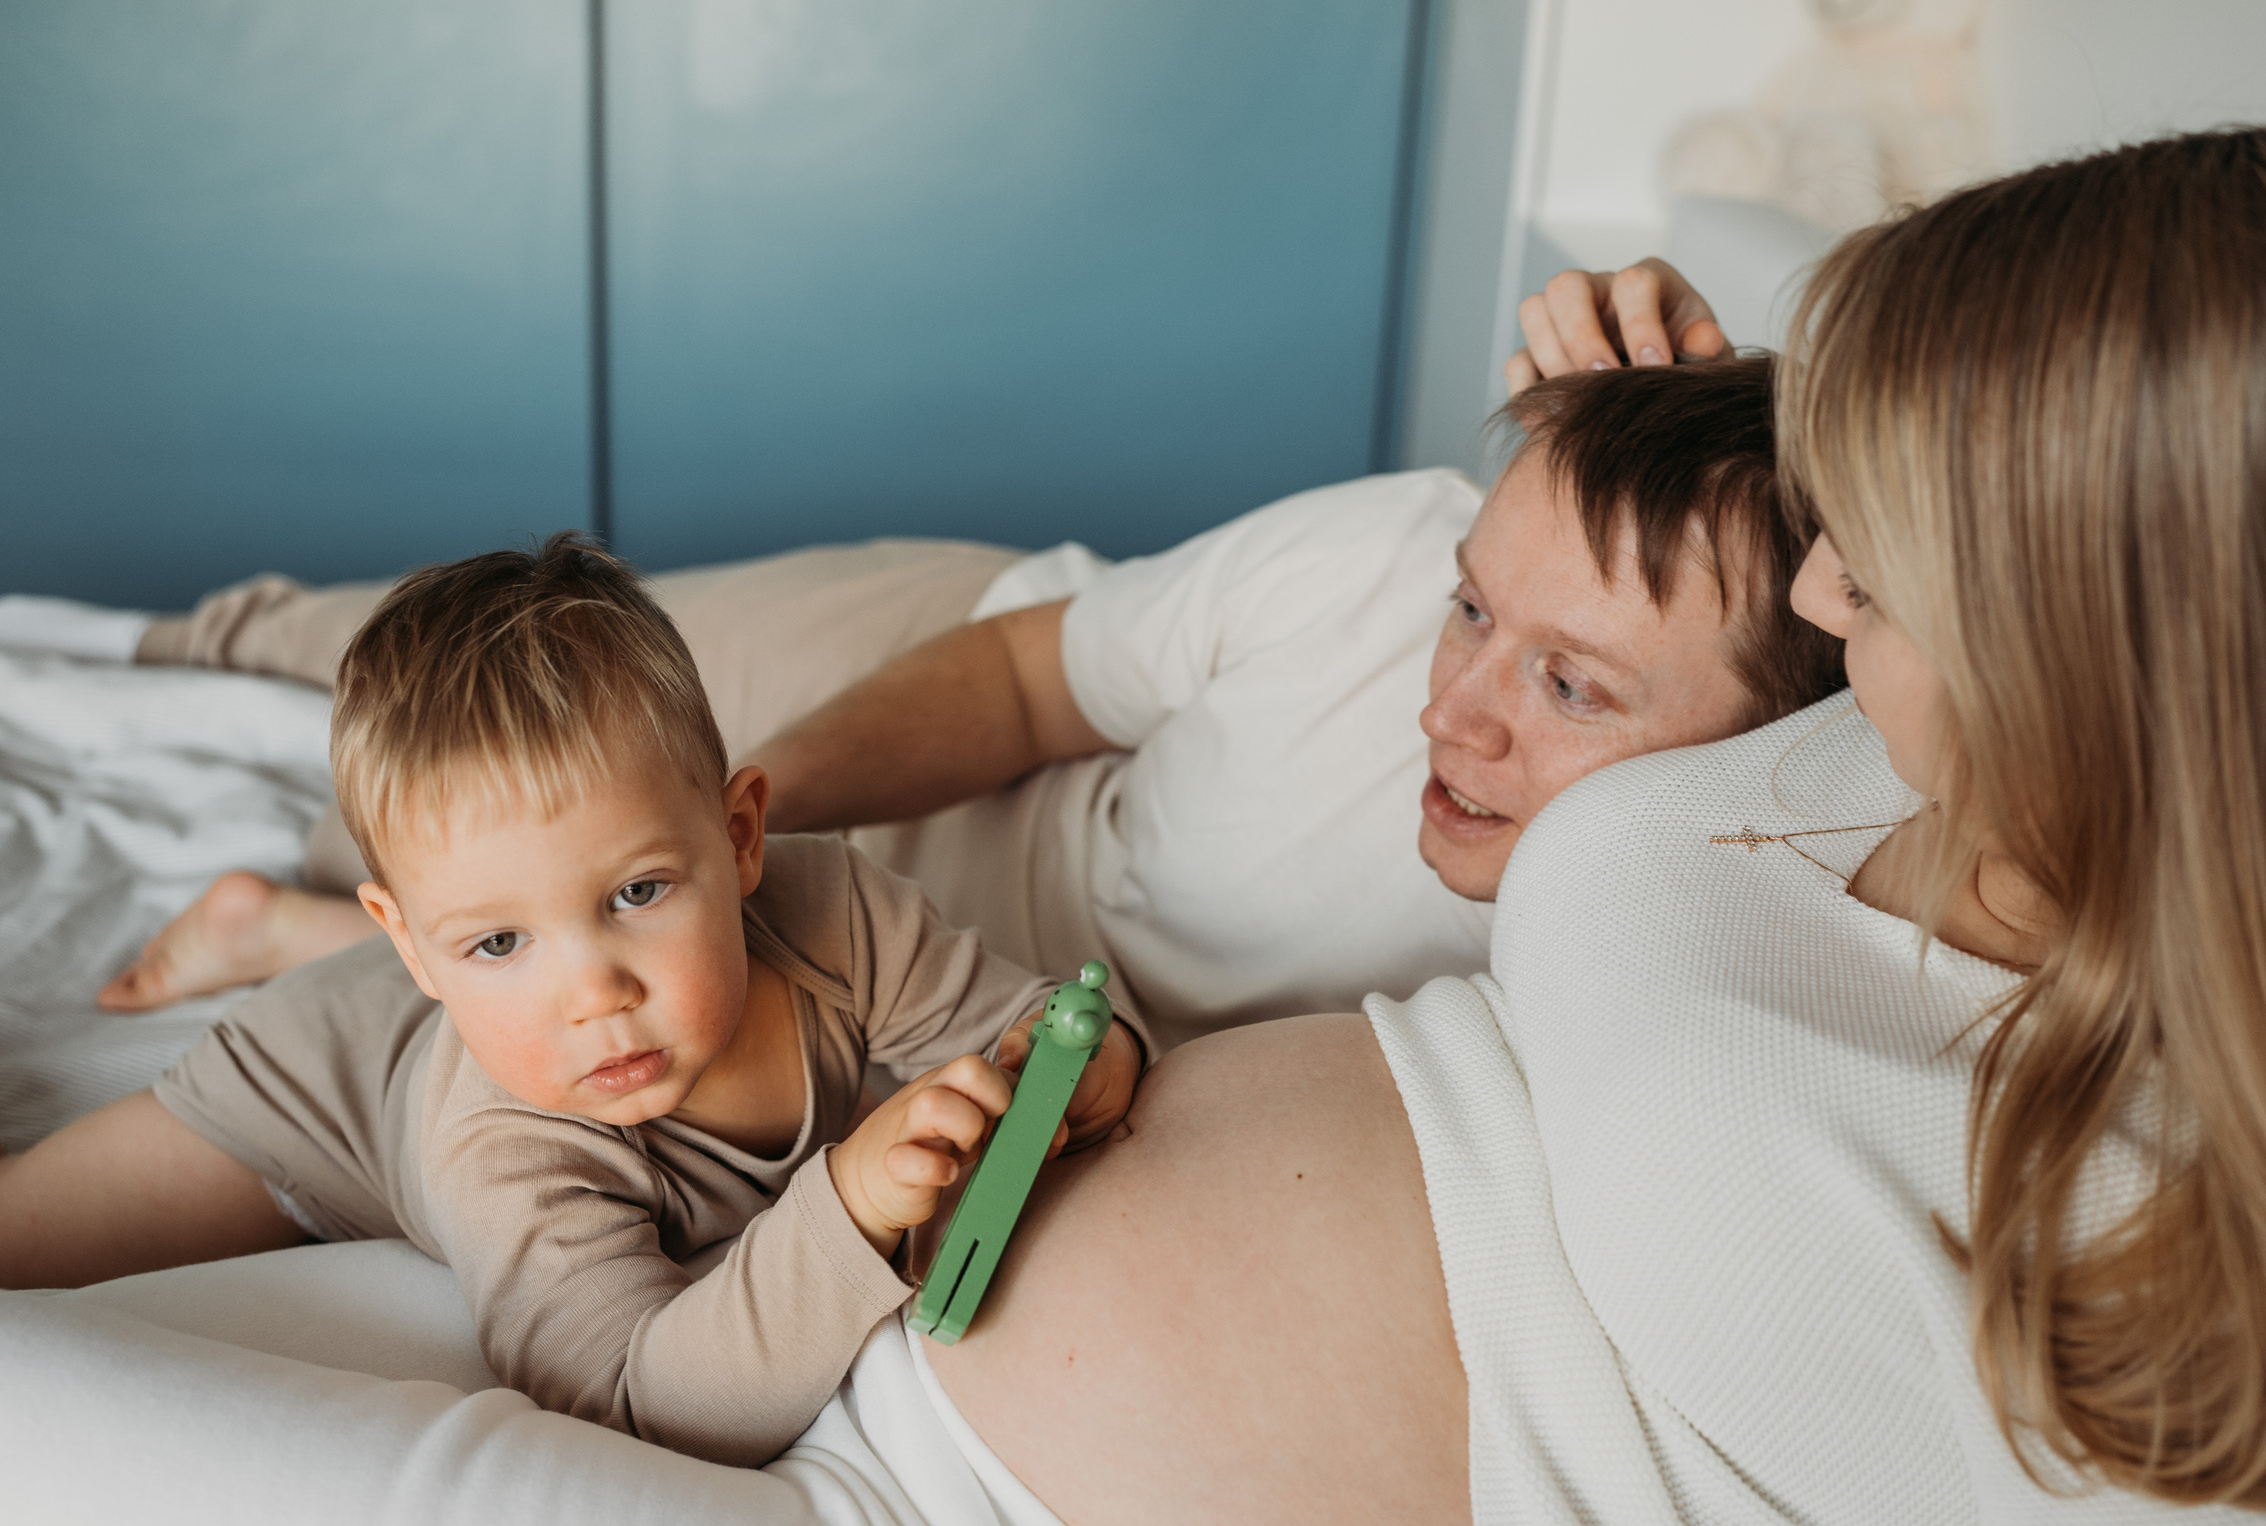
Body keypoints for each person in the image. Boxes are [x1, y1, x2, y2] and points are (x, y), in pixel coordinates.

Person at [0, 129, 2266, 1526]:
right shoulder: (1860, 729)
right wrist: (1687, 398)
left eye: (1893, 556)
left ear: (2111, 631)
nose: (1825, 580)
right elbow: (1706, 595)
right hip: (812, 1292)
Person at [88, 357, 1840, 1049]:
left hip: (956, 991)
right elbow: (1017, 677)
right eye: (1471, 610)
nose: (1448, 710)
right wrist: (720, 825)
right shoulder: (1374, 557)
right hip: (949, 703)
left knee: (557, 931)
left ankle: (281, 925)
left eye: (1569, 685)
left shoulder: (1723, 938)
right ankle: (177, 650)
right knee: (414, 662)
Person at [0, 537, 1145, 1466]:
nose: (596, 993)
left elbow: (1023, 1026)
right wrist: (843, 1210)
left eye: (638, 893)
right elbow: (631, 1402)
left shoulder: (838, 913)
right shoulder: (503, 1143)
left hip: (408, 1004)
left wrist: (1083, 1064)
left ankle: (283, 925)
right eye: (496, 939)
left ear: (741, 837)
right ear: (414, 943)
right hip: (312, 1087)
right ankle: (275, 937)